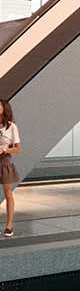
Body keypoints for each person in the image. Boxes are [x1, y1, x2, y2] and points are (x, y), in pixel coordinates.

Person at [0, 99, 21, 237]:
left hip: (5, 162)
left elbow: (17, 148)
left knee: (8, 193)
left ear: (4, 108)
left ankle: (9, 225)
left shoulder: (11, 126)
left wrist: (4, 149)